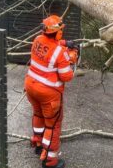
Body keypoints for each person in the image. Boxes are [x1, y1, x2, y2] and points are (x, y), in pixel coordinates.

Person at [24, 15, 77, 168]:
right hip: (48, 94)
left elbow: (50, 45)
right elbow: (66, 76)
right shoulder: (60, 53)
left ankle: (38, 142)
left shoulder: (37, 39)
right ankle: (50, 160)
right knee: (52, 126)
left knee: (38, 114)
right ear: (58, 32)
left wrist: (66, 44)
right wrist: (71, 59)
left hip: (31, 87)